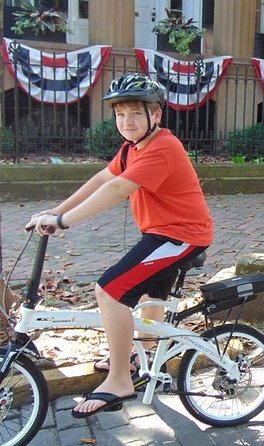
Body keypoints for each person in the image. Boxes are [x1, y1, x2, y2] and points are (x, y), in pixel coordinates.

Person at [26, 73, 214, 418]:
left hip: (181, 235)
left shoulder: (163, 147)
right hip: (160, 232)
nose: (126, 122)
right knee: (146, 298)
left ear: (155, 115)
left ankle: (119, 379)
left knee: (109, 291)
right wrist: (56, 210)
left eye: (135, 114)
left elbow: (115, 191)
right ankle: (140, 352)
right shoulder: (133, 147)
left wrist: (64, 222)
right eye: (120, 115)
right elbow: (103, 178)